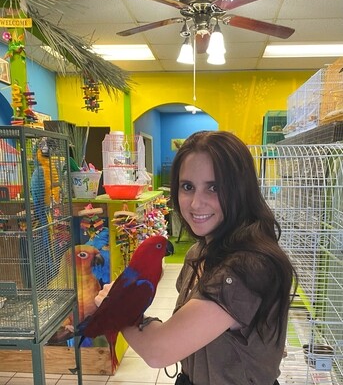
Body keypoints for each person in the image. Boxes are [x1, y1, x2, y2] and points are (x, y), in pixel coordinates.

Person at [95, 130, 298, 385]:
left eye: (213, 188)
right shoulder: (199, 252)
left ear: (240, 191)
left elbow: (160, 350)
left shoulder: (249, 268)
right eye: (187, 187)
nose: (195, 203)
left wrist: (115, 306)